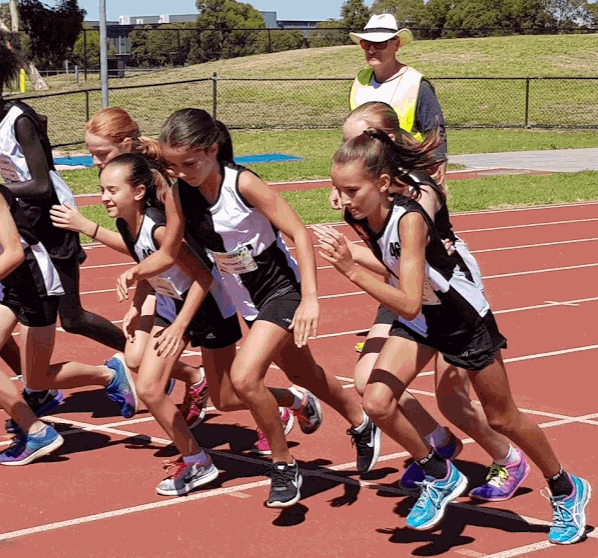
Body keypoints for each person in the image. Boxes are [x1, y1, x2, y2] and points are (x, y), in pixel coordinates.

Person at [317, 128, 590, 542]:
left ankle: (565, 488)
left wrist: (349, 268)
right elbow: (402, 291)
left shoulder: (410, 220)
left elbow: (406, 301)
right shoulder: (358, 214)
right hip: (422, 321)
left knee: (503, 417)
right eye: (337, 189)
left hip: (462, 321)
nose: (343, 199)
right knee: (375, 399)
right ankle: (438, 473)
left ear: (384, 184)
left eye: (351, 189)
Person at [159, 108, 379, 509]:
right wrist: (137, 272)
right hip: (244, 296)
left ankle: (284, 465)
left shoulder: (242, 183)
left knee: (244, 378)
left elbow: (298, 232)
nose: (182, 173)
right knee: (302, 372)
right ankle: (363, 423)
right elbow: (169, 250)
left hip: (279, 288)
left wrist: (311, 297)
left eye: (189, 163)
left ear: (211, 150)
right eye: (173, 165)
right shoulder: (178, 193)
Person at [0, 125, 139, 465]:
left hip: (34, 284)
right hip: (2, 286)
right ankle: (37, 432)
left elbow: (14, 251)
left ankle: (109, 374)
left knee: (37, 378)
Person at [341, 102, 529, 502]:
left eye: (358, 141)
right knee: (368, 383)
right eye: (346, 143)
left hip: (442, 292)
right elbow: (385, 257)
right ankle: (437, 444)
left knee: (452, 398)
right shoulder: (361, 194)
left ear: (385, 141)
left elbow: (409, 242)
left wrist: (358, 244)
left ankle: (508, 458)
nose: (349, 150)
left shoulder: (419, 189)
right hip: (400, 286)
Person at [0, 40, 129, 432]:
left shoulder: (19, 119)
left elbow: (40, 185)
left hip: (52, 223)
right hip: (27, 221)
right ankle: (38, 388)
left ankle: (136, 360)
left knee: (73, 317)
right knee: (27, 306)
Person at [50, 107, 207, 428]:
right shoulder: (122, 191)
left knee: (233, 387)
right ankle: (195, 377)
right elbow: (142, 251)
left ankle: (271, 407)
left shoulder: (152, 185)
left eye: (100, 153)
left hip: (192, 279)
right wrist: (138, 301)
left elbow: (163, 249)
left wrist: (86, 227)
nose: (94, 160)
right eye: (91, 153)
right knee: (135, 357)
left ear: (125, 143)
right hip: (161, 278)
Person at [101, 152, 235, 494]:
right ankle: (197, 460)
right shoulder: (125, 224)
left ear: (138, 192)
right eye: (102, 189)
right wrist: (137, 305)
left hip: (206, 307)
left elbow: (203, 279)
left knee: (229, 397)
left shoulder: (160, 229)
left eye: (112, 190)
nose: (104, 198)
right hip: (170, 305)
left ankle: (290, 401)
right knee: (147, 387)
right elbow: (152, 268)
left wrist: (179, 327)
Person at [346, 13, 446, 190]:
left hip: (408, 177)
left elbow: (436, 132)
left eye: (380, 43)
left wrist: (437, 179)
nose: (371, 50)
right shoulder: (360, 80)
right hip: (367, 177)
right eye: (366, 43)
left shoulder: (416, 84)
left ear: (397, 44)